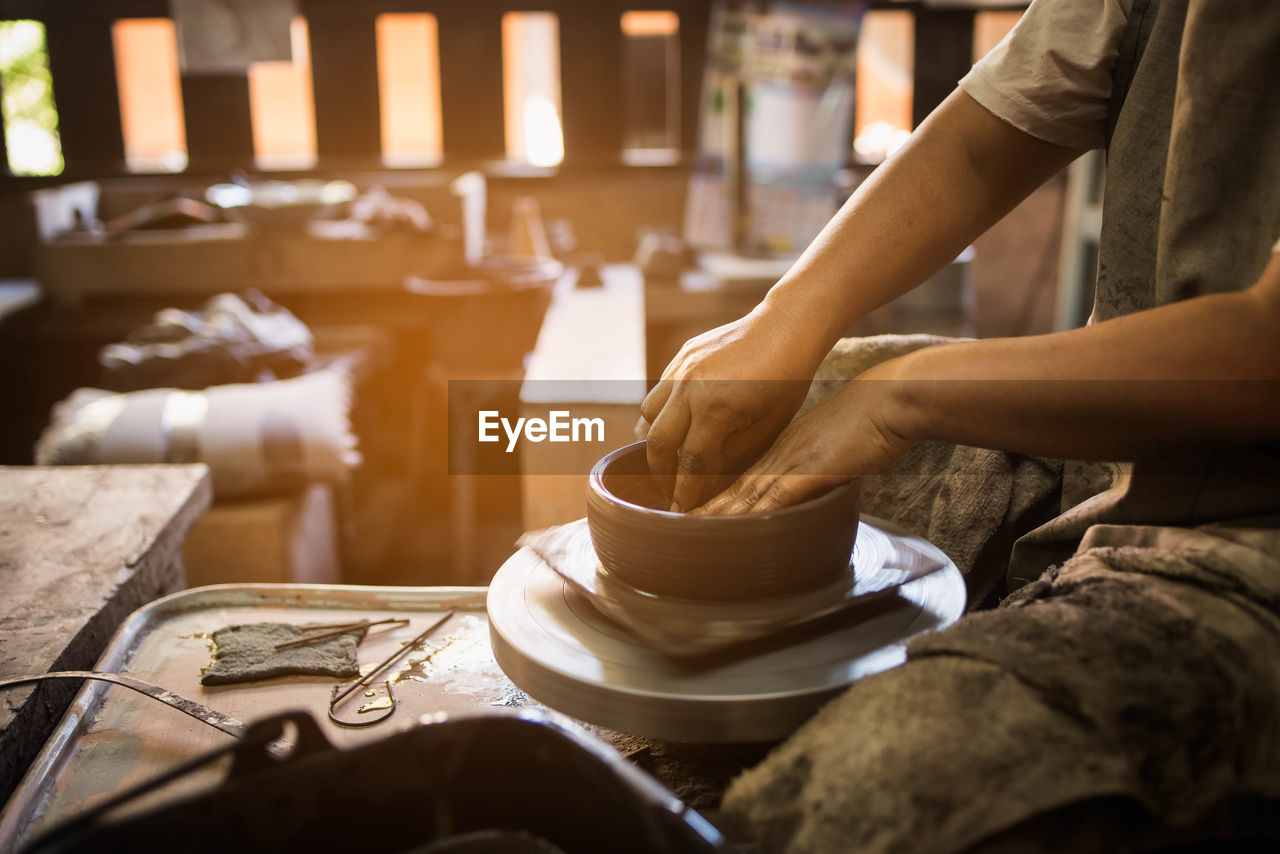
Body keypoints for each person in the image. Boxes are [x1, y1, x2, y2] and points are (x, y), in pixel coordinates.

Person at [646, 0, 1280, 850]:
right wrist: (784, 319)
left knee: (877, 789)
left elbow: (1263, 353)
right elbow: (983, 147)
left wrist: (901, 393)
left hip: (1256, 539)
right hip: (1127, 455)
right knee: (748, 419)